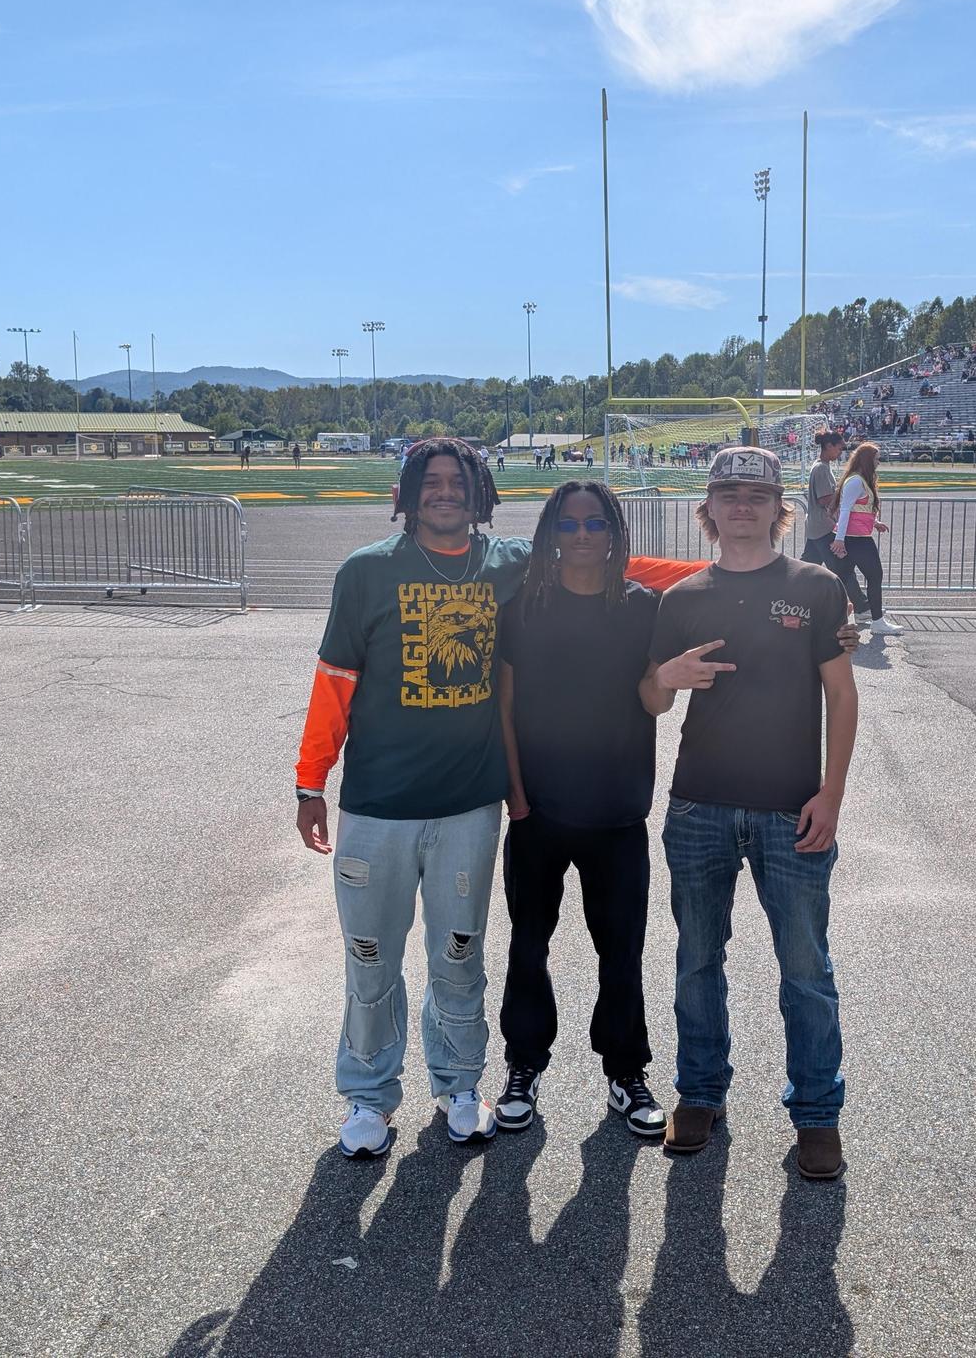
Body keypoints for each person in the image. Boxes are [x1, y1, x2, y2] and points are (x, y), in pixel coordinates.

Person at [295, 437, 702, 1161]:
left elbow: (620, 566)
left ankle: (459, 1085)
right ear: (408, 491)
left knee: (459, 955)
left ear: (480, 494)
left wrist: (748, 580)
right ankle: (369, 1094)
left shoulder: (505, 563)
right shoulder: (366, 572)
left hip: (469, 805)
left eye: (458, 481)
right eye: (431, 481)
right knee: (371, 958)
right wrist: (310, 779)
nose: (445, 492)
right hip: (380, 804)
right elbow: (335, 681)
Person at [642, 445, 861, 1183]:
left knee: (805, 968)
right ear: (707, 508)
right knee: (697, 960)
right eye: (729, 494)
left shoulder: (816, 586)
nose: (742, 506)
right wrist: (667, 677)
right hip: (699, 804)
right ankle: (700, 1093)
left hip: (791, 807)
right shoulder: (683, 597)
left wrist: (831, 793)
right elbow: (651, 698)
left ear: (778, 509)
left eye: (757, 496)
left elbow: (842, 695)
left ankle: (817, 1113)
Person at [494, 481, 668, 1139]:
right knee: (528, 944)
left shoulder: (643, 607)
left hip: (617, 810)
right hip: (537, 809)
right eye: (568, 525)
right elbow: (505, 704)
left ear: (615, 533)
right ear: (551, 535)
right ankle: (523, 1065)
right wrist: (515, 792)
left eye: (596, 523)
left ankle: (626, 1071)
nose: (583, 535)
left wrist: (834, 611)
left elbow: (660, 692)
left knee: (621, 951)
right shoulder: (523, 607)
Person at [831, 442, 900, 635]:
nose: (879, 462)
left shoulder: (860, 480)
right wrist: (839, 539)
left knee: (843, 578)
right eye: (876, 459)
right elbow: (845, 510)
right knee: (874, 576)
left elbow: (857, 509)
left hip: (855, 538)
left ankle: (859, 615)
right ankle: (877, 621)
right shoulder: (856, 482)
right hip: (856, 540)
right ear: (867, 460)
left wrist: (874, 522)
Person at [801, 430, 846, 569]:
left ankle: (790, 583)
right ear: (828, 446)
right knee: (843, 570)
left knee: (807, 570)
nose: (840, 453)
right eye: (839, 448)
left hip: (816, 526)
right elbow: (824, 499)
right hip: (824, 527)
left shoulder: (821, 465)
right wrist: (842, 492)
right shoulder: (821, 468)